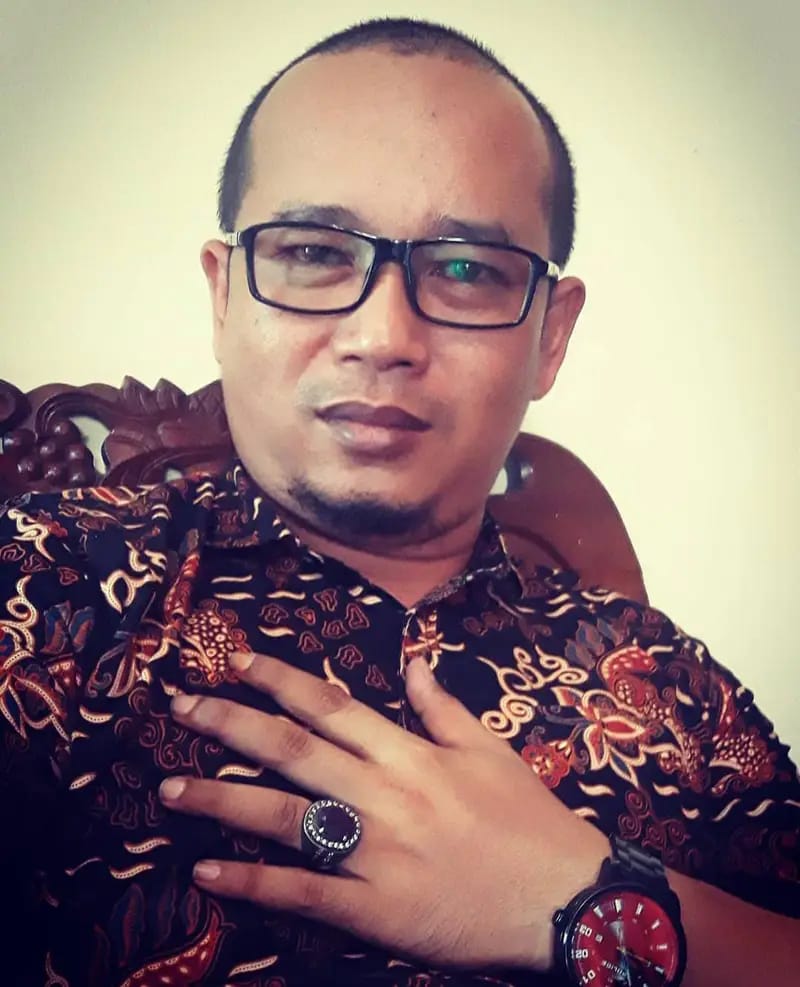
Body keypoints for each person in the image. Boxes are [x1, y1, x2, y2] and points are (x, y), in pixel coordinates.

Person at [1, 16, 797, 987]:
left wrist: (582, 897)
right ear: (224, 296)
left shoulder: (673, 686)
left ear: (549, 338)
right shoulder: (44, 585)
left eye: (465, 271)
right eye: (312, 253)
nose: (382, 337)